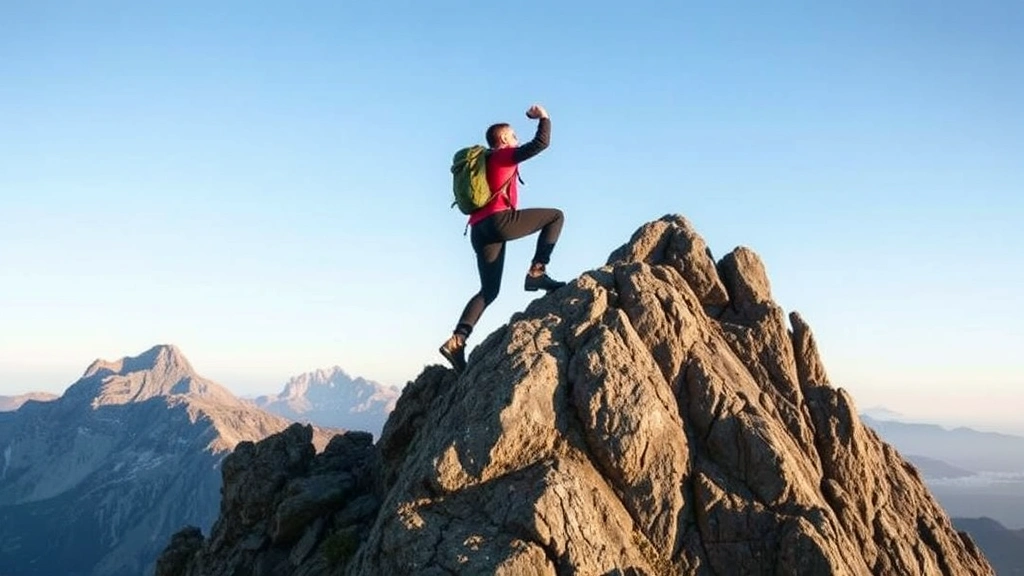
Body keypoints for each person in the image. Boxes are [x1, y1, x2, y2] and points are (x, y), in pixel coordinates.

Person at [439, 103, 567, 373]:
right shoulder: (504, 155)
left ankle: (457, 340)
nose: (517, 140)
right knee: (556, 216)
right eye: (514, 136)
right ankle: (537, 273)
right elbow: (541, 143)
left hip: (479, 229)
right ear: (505, 139)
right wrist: (544, 117)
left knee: (489, 291)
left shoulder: (485, 161)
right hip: (499, 222)